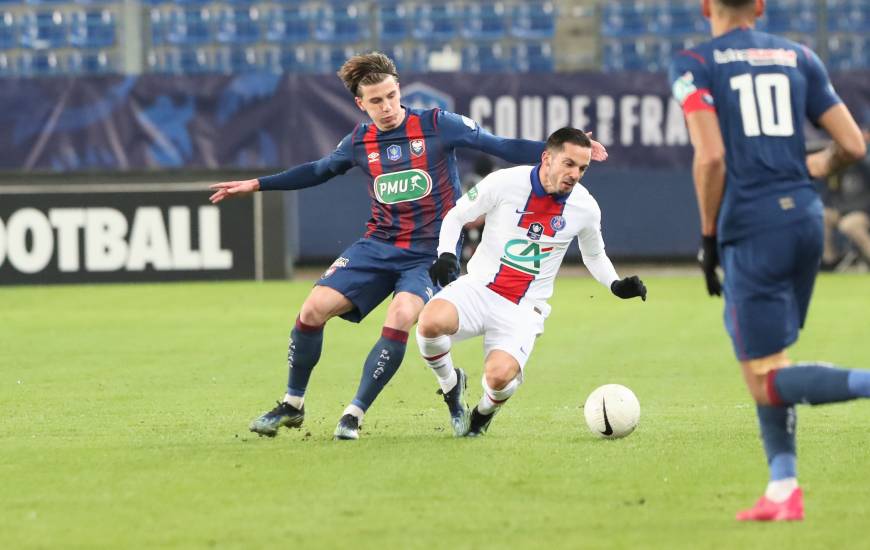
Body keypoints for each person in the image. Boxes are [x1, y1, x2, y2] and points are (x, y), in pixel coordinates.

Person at [209, 52, 608, 440]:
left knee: (402, 316)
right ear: (360, 104)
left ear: (399, 89)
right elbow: (317, 170)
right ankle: (292, 404)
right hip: (378, 244)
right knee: (312, 309)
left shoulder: (438, 124)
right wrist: (257, 184)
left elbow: (498, 144)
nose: (386, 107)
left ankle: (354, 413)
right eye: (376, 101)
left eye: (391, 96)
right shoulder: (359, 142)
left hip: (428, 254)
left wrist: (565, 153)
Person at [669, 0, 869, 522]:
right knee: (771, 361)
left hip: (753, 225)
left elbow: (710, 155)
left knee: (761, 379)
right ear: (759, 6)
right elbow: (850, 143)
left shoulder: (695, 62)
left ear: (706, 6)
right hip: (804, 217)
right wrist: (815, 165)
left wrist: (708, 238)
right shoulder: (799, 56)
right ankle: (783, 490)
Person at [415, 128, 646, 437]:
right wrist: (445, 254)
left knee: (498, 378)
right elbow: (457, 215)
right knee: (429, 323)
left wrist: (615, 284)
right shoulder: (505, 182)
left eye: (582, 168)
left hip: (524, 307)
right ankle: (451, 387)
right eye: (569, 164)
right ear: (546, 158)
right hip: (480, 287)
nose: (575, 174)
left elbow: (595, 255)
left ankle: (483, 414)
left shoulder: (585, 207)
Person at [820, 125, 870, 269]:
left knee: (849, 225)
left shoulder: (864, 159)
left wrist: (858, 151)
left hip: (863, 212)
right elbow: (832, 190)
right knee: (821, 216)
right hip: (843, 210)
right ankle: (830, 262)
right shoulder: (841, 164)